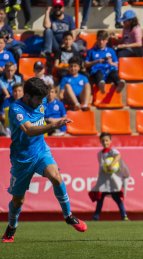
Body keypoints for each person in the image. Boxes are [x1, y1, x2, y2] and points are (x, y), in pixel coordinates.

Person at [2, 77, 87, 243]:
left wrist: (52, 121)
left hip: (41, 151)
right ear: (27, 96)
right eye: (38, 98)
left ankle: (68, 216)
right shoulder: (16, 108)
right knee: (18, 200)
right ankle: (11, 228)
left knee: (56, 176)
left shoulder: (40, 103)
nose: (41, 102)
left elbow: (42, 120)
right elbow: (29, 130)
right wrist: (53, 125)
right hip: (22, 158)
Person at [88, 132, 129, 221]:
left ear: (110, 141)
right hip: (103, 181)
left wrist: (112, 164)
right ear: (100, 142)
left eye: (107, 140)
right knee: (100, 199)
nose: (105, 142)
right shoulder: (100, 154)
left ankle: (124, 216)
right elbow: (101, 166)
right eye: (103, 141)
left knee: (117, 199)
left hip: (112, 181)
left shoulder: (113, 151)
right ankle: (96, 217)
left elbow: (118, 155)